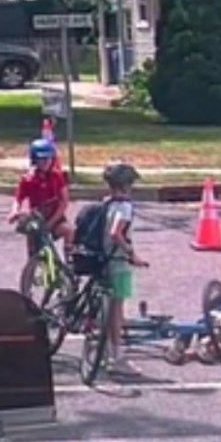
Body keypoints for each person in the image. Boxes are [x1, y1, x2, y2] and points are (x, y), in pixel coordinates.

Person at [100, 160, 150, 375]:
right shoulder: (124, 207)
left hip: (102, 260)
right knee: (116, 309)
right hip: (118, 262)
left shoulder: (106, 203)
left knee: (108, 308)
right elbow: (115, 232)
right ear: (125, 185)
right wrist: (132, 254)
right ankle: (116, 357)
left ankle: (105, 352)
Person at [7, 139, 74, 257]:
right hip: (37, 219)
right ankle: (32, 267)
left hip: (55, 218)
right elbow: (18, 198)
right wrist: (14, 211)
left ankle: (69, 261)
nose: (46, 162)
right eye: (41, 159)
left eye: (48, 158)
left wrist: (52, 222)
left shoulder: (57, 176)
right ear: (34, 160)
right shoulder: (28, 179)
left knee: (68, 230)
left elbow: (64, 201)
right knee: (33, 245)